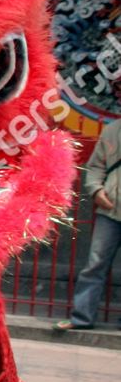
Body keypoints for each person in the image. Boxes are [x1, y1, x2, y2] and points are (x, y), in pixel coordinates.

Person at [56, 115, 121, 331]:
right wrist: (96, 190)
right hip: (110, 210)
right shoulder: (112, 131)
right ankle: (81, 318)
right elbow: (96, 167)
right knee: (95, 265)